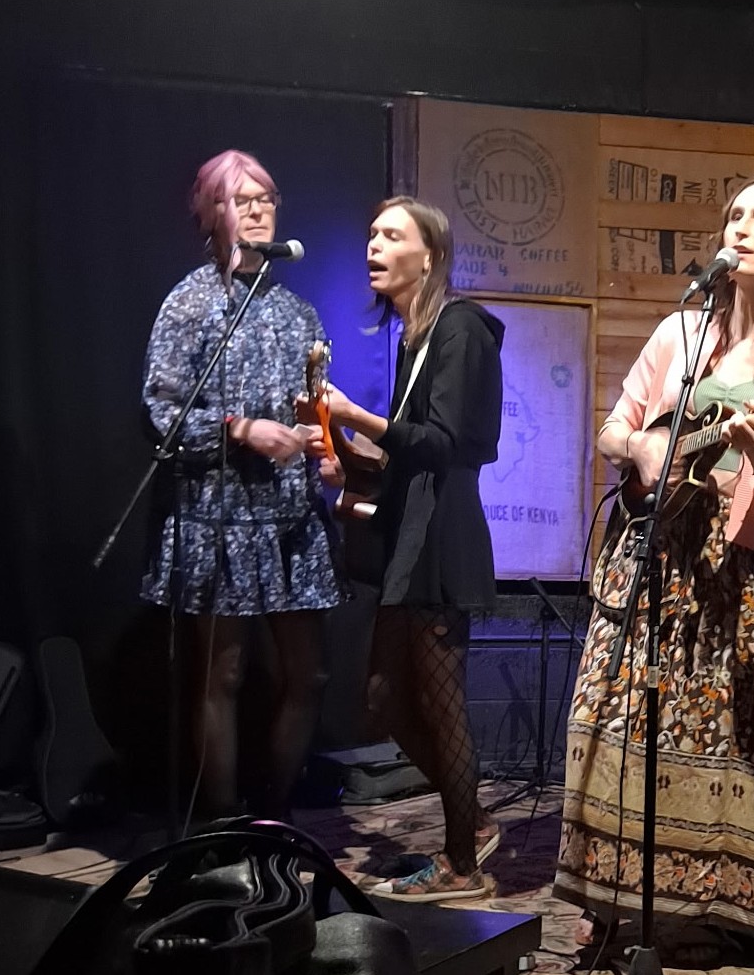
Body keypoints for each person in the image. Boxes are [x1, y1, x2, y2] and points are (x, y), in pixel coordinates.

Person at [554, 173, 754, 948]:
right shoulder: (680, 333)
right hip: (648, 555)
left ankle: (702, 914)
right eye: (734, 215)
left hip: (730, 566)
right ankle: (611, 899)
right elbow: (613, 430)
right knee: (619, 716)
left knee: (712, 734)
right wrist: (643, 446)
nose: (741, 228)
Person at [308, 196, 505, 902]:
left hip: (442, 539)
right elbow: (407, 455)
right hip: (412, 537)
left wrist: (357, 417)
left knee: (441, 702)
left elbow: (447, 444)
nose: (374, 245)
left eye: (391, 235)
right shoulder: (415, 337)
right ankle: (470, 817)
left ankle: (463, 863)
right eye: (371, 233)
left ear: (430, 256)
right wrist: (348, 460)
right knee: (385, 699)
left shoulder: (460, 328)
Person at [141, 149, 343, 822]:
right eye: (240, 200)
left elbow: (316, 405)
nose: (258, 210)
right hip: (216, 516)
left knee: (309, 675)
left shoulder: (299, 313)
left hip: (289, 518)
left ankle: (272, 820)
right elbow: (162, 413)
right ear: (211, 213)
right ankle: (224, 828)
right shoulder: (191, 303)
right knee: (221, 673)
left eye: (266, 198)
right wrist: (242, 430)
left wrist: (324, 445)